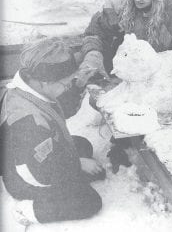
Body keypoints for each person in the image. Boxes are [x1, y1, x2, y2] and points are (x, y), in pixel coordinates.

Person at [76, 0, 172, 172]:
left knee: (157, 116)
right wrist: (94, 56)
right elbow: (94, 33)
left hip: (159, 80)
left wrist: (163, 65)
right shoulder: (117, 5)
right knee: (117, 109)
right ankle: (122, 146)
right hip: (121, 77)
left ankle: (156, 152)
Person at [0, 37, 105, 225]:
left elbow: (59, 109)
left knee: (83, 145)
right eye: (65, 84)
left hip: (36, 154)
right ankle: (29, 210)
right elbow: (41, 173)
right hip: (26, 177)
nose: (67, 87)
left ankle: (74, 170)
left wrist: (78, 84)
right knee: (88, 201)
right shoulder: (27, 122)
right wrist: (77, 164)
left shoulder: (31, 84)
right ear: (45, 82)